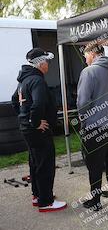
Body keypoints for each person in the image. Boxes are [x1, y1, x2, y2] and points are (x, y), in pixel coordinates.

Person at [11, 48, 67, 212]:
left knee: (35, 162)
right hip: (37, 131)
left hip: (27, 130)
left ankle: (38, 195)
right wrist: (35, 122)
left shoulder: (24, 80)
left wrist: (24, 118)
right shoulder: (37, 80)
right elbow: (38, 104)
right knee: (45, 164)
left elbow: (15, 101)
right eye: (47, 62)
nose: (48, 65)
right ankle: (46, 201)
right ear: (40, 63)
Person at [77, 44, 108, 211]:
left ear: (92, 54)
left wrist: (83, 118)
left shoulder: (88, 72)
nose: (85, 59)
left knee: (95, 164)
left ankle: (95, 201)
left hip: (96, 127)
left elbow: (83, 103)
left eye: (85, 56)